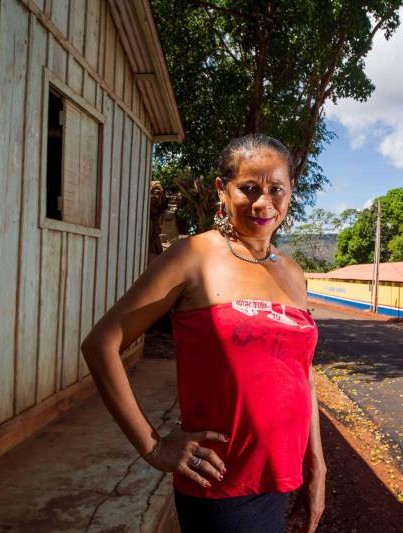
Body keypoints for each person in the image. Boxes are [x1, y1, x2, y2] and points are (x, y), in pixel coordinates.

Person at [81, 134, 326, 533]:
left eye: (276, 189)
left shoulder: (293, 272)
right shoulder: (192, 256)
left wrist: (317, 465)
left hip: (281, 476)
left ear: (290, 192)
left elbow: (304, 374)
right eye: (249, 188)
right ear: (222, 191)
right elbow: (101, 344)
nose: (264, 203)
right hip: (222, 482)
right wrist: (154, 446)